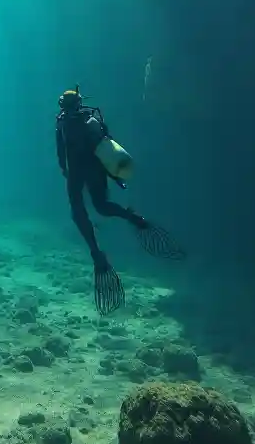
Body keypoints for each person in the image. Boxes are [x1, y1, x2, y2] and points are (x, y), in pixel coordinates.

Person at [55, 87, 185, 315]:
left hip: (78, 172)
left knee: (78, 211)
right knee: (102, 207)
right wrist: (115, 176)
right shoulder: (91, 120)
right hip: (95, 171)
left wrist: (64, 169)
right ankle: (132, 217)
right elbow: (107, 148)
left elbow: (61, 151)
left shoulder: (64, 122)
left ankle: (96, 252)